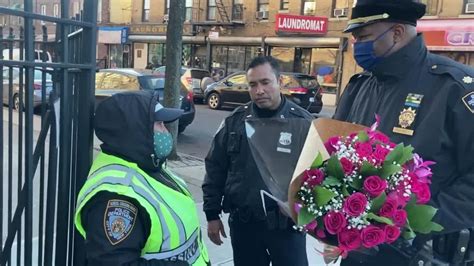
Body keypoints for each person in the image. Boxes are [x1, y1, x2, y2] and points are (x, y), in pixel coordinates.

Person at [333, 0, 474, 265]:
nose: (356, 46)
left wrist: (420, 220)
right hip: (358, 250)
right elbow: (334, 152)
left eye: (363, 37)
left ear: (397, 33)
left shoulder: (454, 87)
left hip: (423, 252)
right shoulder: (360, 85)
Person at [74, 91, 210, 266]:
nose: (165, 130)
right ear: (135, 131)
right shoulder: (117, 197)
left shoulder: (146, 163)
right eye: (159, 124)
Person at [202, 56, 313, 266]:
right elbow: (215, 168)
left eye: (265, 82)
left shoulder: (302, 123)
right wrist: (211, 214)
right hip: (245, 225)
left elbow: (319, 177)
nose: (259, 90)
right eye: (253, 85)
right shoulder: (235, 122)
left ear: (279, 82)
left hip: (287, 227)